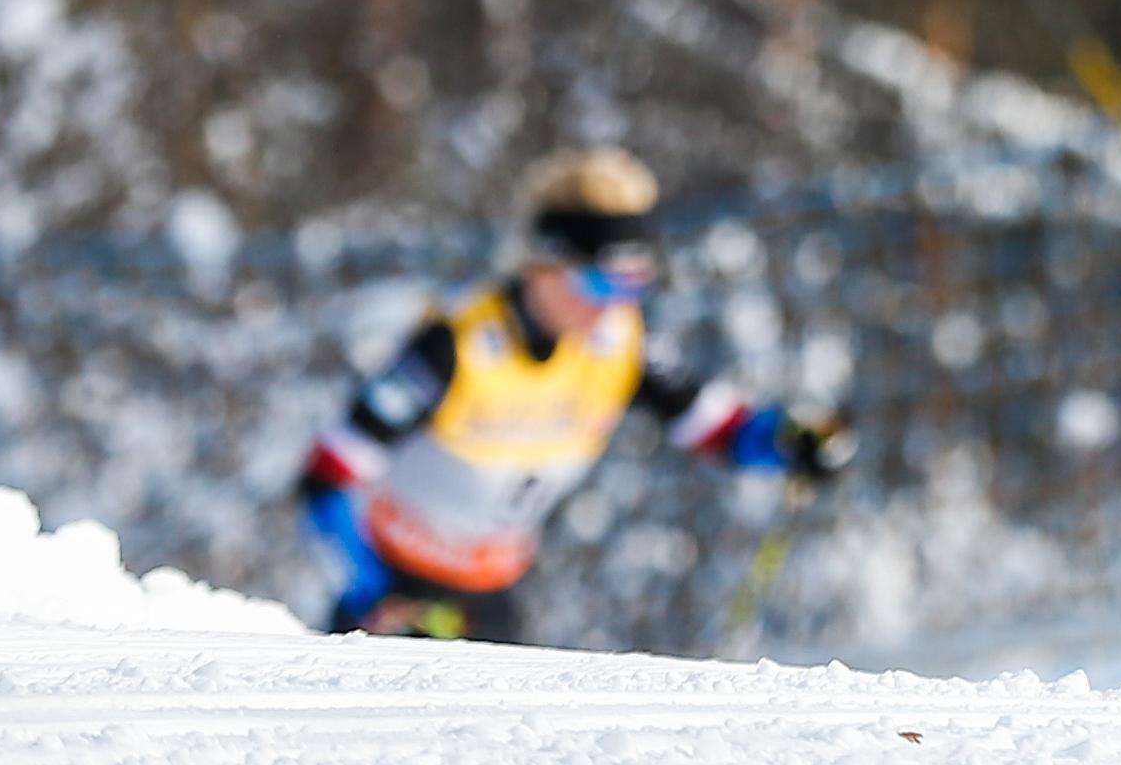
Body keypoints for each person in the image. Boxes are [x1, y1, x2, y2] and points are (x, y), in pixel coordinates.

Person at [299, 148, 856, 640]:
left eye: (634, 284)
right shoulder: (456, 345)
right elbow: (326, 475)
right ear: (545, 263)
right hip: (395, 596)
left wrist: (792, 441)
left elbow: (718, 428)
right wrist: (373, 591)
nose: (613, 304)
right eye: (599, 282)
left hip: (493, 597)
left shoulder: (619, 343)